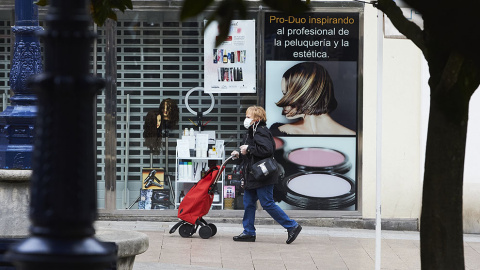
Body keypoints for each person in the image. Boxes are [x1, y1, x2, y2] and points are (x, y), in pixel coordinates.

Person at [231, 105, 302, 244]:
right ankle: (249, 232)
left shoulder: (260, 131)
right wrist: (239, 154)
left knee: (267, 203)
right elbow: (252, 154)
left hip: (263, 175)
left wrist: (249, 149)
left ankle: (292, 226)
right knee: (249, 203)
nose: (245, 119)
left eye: (248, 117)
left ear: (256, 119)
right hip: (253, 175)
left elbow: (266, 150)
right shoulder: (251, 132)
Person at [270, 62, 356, 135]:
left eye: (287, 94)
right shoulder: (279, 132)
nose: (283, 101)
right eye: (284, 94)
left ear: (307, 93)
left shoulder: (352, 137)